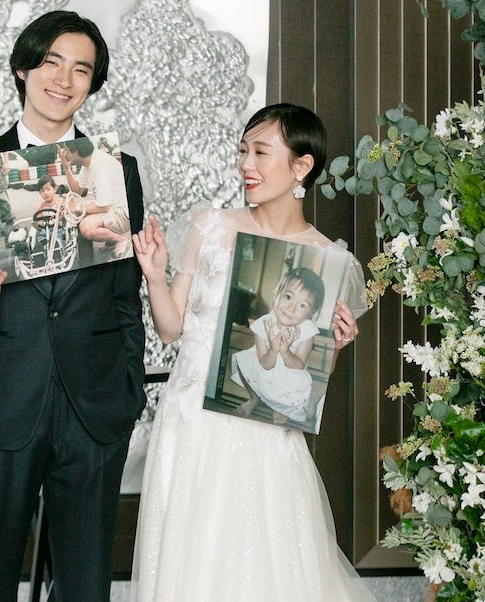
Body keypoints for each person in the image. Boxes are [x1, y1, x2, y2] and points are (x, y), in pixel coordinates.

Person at [0, 10, 146, 602]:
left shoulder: (115, 172)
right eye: (51, 62)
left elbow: (125, 295)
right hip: (0, 404)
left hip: (94, 407)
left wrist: (129, 390)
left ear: (92, 84)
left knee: (85, 588)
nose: (64, 79)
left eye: (82, 69)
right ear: (24, 69)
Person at [129, 103, 374, 601]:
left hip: (264, 432)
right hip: (191, 421)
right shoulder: (211, 227)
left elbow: (308, 378)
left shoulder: (330, 261)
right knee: (187, 562)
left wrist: (337, 344)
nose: (246, 164)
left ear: (301, 166)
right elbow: (171, 329)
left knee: (260, 563)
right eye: (243, 151)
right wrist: (154, 275)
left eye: (261, 152)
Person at [233, 265, 326, 425]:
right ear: (278, 294)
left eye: (302, 305)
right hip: (266, 367)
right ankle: (254, 398)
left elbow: (298, 365)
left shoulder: (307, 331)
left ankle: (281, 407)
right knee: (243, 361)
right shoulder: (263, 324)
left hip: (289, 375)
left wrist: (285, 351)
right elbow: (265, 364)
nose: (291, 308)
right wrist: (274, 349)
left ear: (311, 313)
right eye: (288, 297)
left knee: (298, 385)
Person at [59, 136, 133, 258]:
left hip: (124, 214)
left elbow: (104, 207)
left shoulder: (99, 165)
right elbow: (77, 190)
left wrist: (76, 208)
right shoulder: (88, 163)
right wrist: (66, 168)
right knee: (78, 215)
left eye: (66, 149)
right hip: (114, 208)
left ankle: (120, 239)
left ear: (76, 150)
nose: (64, 153)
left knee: (86, 226)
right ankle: (111, 241)